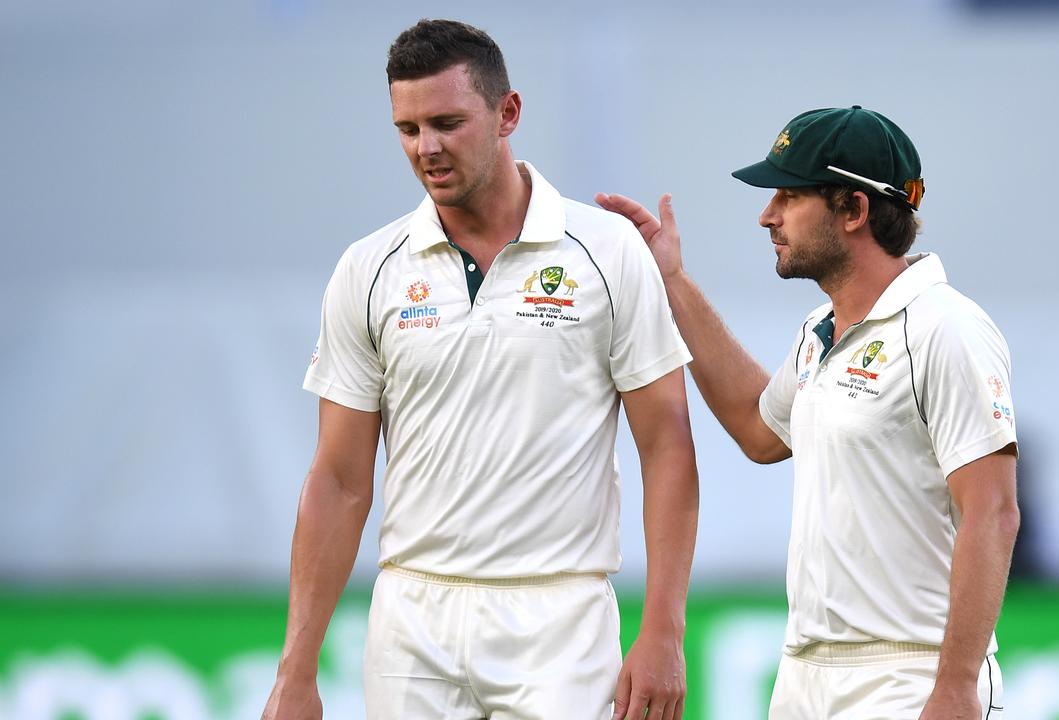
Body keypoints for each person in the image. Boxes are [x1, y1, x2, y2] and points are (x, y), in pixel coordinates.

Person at [262, 19, 698, 720]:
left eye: (446, 122)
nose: (426, 148)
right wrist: (296, 670)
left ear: (508, 113)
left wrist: (664, 631)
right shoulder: (367, 268)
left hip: (559, 618)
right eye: (407, 129)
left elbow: (669, 444)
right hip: (411, 617)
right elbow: (339, 481)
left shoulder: (608, 251)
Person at [597, 106, 1019, 719]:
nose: (767, 216)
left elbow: (993, 512)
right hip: (805, 676)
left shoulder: (945, 328)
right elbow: (758, 429)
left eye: (789, 196)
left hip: (908, 677)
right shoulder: (822, 332)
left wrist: (954, 689)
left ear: (854, 210)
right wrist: (673, 282)